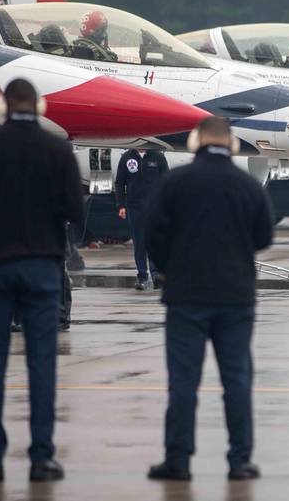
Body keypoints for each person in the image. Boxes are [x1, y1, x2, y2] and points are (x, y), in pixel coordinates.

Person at [0, 79, 84, 483]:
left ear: (5, 107)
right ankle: (41, 457)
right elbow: (75, 212)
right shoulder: (58, 149)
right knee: (41, 363)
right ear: (40, 107)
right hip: (42, 267)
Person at [143, 117, 274, 481]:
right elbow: (264, 236)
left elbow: (152, 232)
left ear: (195, 141)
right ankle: (240, 461)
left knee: (183, 382)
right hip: (235, 296)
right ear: (230, 144)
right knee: (237, 380)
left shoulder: (175, 182)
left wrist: (168, 267)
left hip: (186, 294)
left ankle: (178, 460)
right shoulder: (248, 186)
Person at [115, 148, 169, 290]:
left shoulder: (158, 156)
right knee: (139, 243)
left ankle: (156, 274)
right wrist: (121, 205)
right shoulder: (126, 157)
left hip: (155, 207)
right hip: (134, 207)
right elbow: (120, 183)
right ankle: (142, 276)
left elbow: (166, 181)